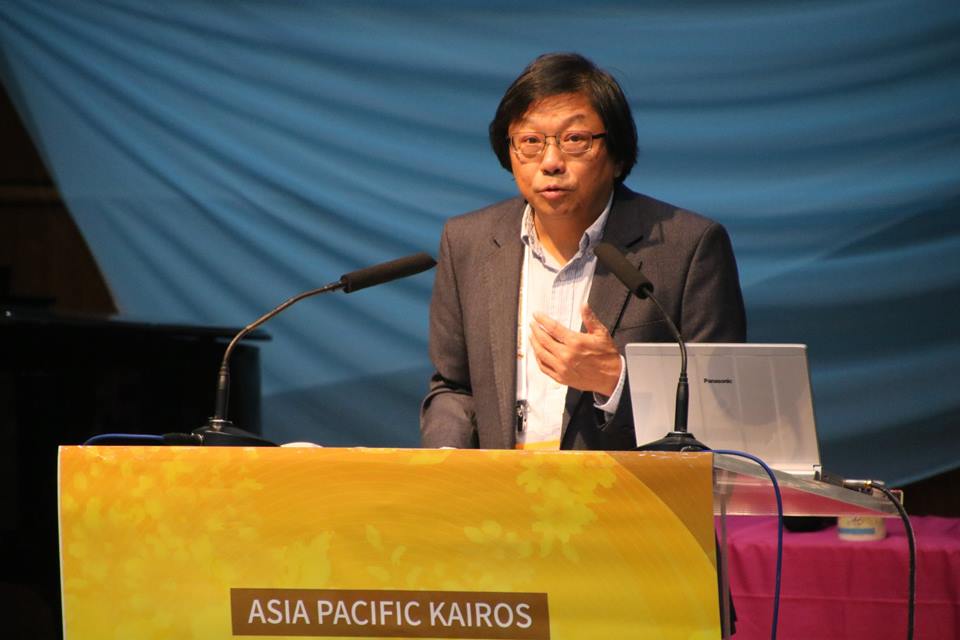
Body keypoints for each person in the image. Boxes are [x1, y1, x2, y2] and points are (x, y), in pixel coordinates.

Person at [421, 52, 746, 451]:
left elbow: (719, 410)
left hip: (625, 488)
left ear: (617, 155)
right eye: (530, 141)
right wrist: (445, 463)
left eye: (575, 140)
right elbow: (454, 388)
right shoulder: (468, 242)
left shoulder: (688, 248)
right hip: (500, 486)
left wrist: (614, 380)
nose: (551, 162)